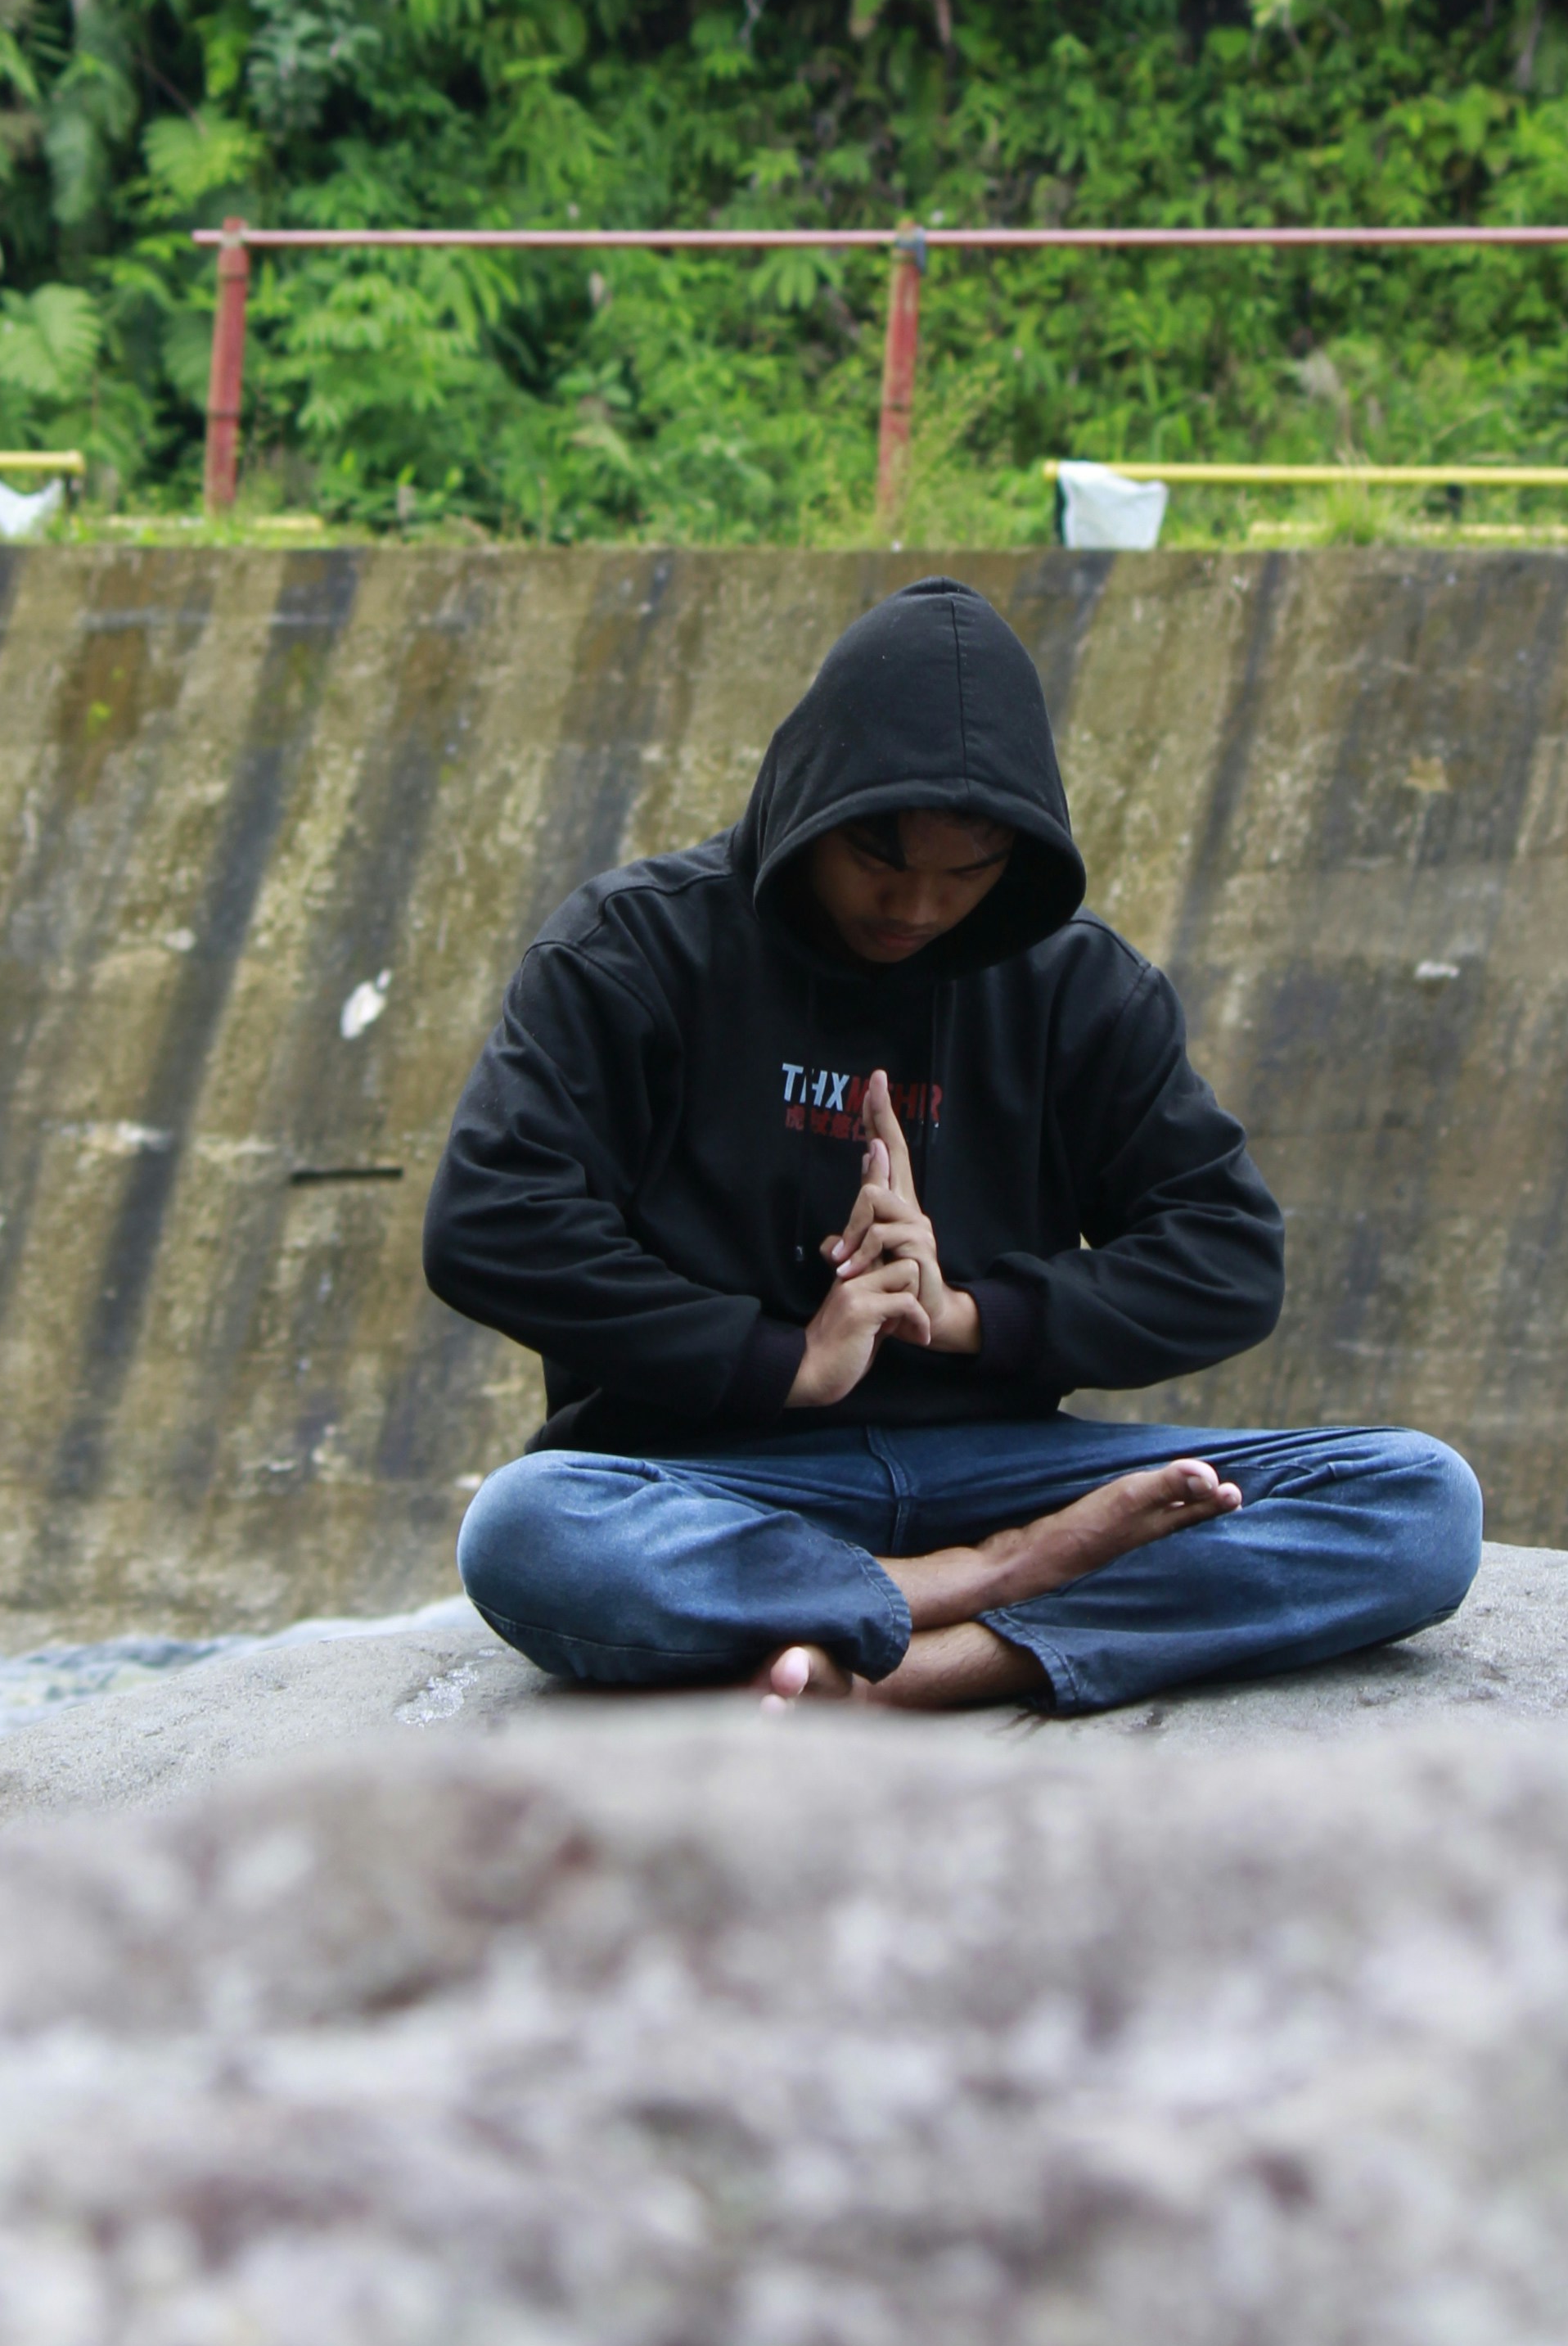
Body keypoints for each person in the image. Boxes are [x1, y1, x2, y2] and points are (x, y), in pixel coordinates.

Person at [426, 575, 1480, 1711]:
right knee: (529, 1531)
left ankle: (915, 1660)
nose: (918, 907)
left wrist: (969, 1314)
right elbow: (494, 1222)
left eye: (964, 875)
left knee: (1417, 1503)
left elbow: (1227, 1254)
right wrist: (784, 1361)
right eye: (881, 864)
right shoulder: (632, 950)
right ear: (811, 811)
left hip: (1003, 1469)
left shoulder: (1078, 987)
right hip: (712, 1478)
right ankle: (990, 1583)